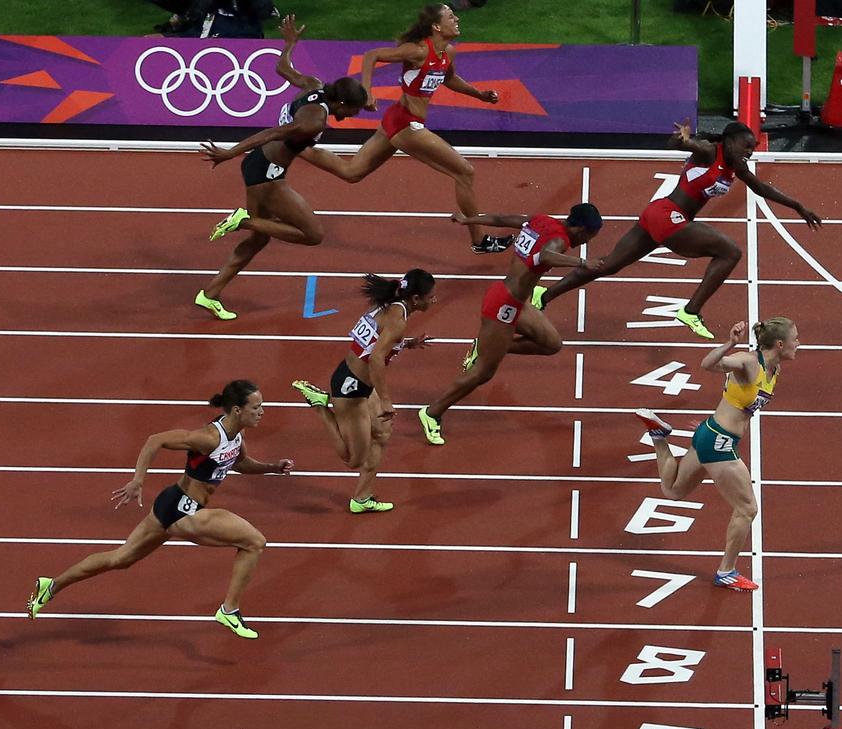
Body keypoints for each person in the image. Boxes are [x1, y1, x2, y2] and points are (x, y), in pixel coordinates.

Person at [26, 380, 292, 639]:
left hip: (171, 505)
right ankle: (229, 610)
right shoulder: (208, 438)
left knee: (120, 559)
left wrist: (272, 467)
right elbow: (156, 440)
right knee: (254, 542)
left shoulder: (237, 436)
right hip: (183, 510)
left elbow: (240, 463)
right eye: (256, 407)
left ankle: (52, 585)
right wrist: (137, 480)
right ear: (237, 410)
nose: (262, 412)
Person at [533, 120, 822, 339]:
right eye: (747, 146)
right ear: (730, 141)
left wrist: (797, 206)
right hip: (669, 216)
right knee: (730, 252)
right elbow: (683, 146)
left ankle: (542, 296)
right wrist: (680, 140)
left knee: (608, 265)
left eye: (753, 149)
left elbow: (762, 188)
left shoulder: (737, 168)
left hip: (658, 214)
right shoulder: (710, 151)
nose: (750, 152)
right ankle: (691, 311)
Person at [292, 5, 514, 254]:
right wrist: (366, 92)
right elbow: (371, 55)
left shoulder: (447, 53)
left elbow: (449, 78)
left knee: (352, 172)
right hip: (406, 124)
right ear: (437, 26)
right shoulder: (417, 50)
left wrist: (479, 95)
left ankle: (295, 144)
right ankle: (479, 240)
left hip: (396, 119)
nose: (458, 19)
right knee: (465, 172)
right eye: (451, 16)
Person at [194, 23, 368, 320]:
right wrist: (228, 152)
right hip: (268, 174)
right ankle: (245, 221)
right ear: (341, 103)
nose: (354, 116)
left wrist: (289, 44)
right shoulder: (314, 120)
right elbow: (271, 133)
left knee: (260, 240)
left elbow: (283, 69)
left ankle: (210, 294)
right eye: (355, 110)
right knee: (313, 234)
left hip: (258, 166)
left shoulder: (314, 85)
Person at [634, 317, 799, 592]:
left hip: (710, 432)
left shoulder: (775, 369)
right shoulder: (749, 362)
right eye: (795, 339)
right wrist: (730, 344)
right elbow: (708, 364)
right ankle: (727, 571)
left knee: (672, 491)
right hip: (719, 441)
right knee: (747, 509)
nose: (798, 344)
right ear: (780, 344)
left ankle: (659, 437)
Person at [417, 204, 603, 445]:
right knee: (483, 372)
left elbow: (506, 218)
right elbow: (545, 255)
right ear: (579, 227)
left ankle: (486, 346)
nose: (588, 240)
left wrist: (469, 219)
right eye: (589, 235)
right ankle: (432, 413)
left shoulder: (542, 221)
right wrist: (581, 262)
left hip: (518, 303)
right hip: (503, 307)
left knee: (551, 344)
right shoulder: (558, 241)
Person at [291, 270, 437, 512]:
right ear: (416, 299)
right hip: (351, 390)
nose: (434, 301)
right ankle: (320, 406)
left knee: (382, 433)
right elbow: (376, 359)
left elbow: (375, 341)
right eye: (431, 297)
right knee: (353, 460)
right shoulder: (397, 319)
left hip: (359, 383)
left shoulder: (393, 307)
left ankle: (361, 498)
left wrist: (407, 344)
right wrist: (387, 400)